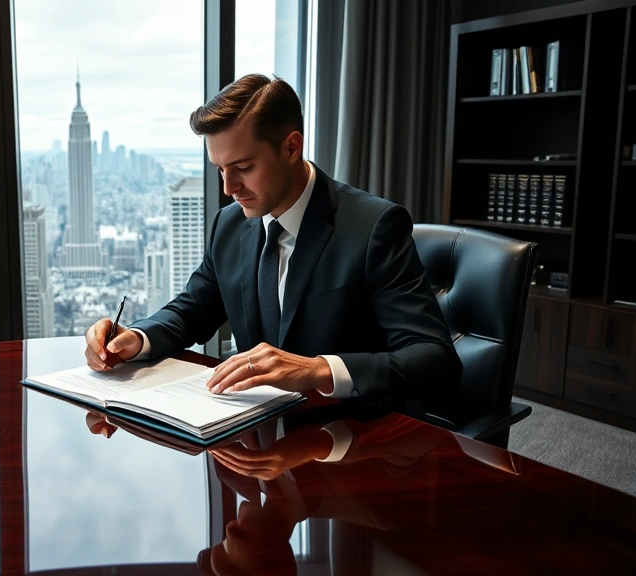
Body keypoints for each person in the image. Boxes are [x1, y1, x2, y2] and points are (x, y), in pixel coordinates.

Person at [84, 73, 460, 410]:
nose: (229, 188)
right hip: (257, 435)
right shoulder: (229, 224)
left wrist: (317, 369)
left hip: (348, 439)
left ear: (292, 147)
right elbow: (191, 311)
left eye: (244, 168)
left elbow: (434, 359)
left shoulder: (374, 227)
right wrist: (135, 337)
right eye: (220, 169)